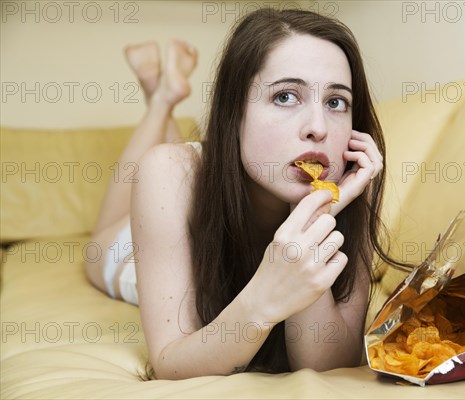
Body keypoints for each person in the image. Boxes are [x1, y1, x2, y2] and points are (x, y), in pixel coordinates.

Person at [86, 8, 401, 379]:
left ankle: (165, 94)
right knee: (119, 220)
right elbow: (171, 364)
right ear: (233, 112)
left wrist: (314, 215)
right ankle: (162, 100)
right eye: (286, 96)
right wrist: (264, 298)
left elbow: (326, 366)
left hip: (196, 187)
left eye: (335, 102)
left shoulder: (348, 190)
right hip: (135, 243)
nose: (318, 128)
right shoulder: (167, 173)